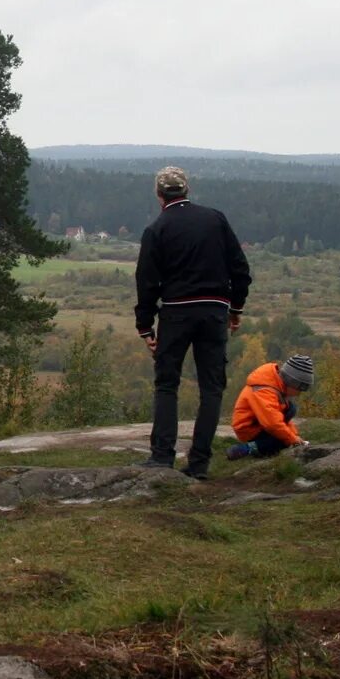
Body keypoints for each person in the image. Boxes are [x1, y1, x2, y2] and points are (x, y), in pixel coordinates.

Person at [134, 166, 251, 479]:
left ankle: (161, 458)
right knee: (212, 387)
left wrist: (146, 327)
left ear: (159, 195)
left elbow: (146, 282)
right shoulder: (215, 219)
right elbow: (240, 268)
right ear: (187, 190)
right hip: (214, 312)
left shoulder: (157, 229)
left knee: (167, 384)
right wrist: (235, 308)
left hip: (175, 313)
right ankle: (199, 464)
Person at [226, 354, 315, 459]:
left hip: (259, 424)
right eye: (300, 388)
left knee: (290, 409)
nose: (300, 393)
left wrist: (294, 436)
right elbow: (273, 424)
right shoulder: (264, 391)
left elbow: (280, 417)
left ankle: (265, 445)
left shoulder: (278, 387)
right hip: (249, 429)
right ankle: (244, 449)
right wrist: (292, 439)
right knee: (282, 441)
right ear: (291, 382)